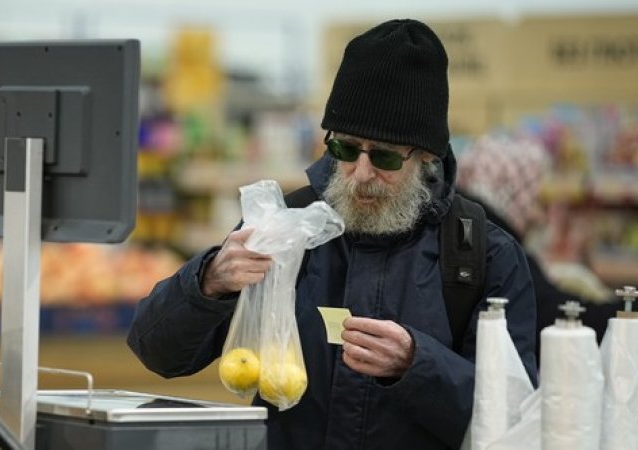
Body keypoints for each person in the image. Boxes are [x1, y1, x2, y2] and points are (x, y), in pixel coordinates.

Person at [127, 19, 538, 450]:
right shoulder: (284, 227)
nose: (361, 174)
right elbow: (156, 352)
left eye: (384, 156)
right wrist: (207, 282)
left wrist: (417, 365)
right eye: (345, 149)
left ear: (428, 157)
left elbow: (515, 418)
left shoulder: (482, 255)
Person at [455, 133, 620, 362]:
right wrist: (623, 316)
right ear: (507, 188)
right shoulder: (493, 244)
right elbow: (549, 315)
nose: (538, 216)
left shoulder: (468, 229)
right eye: (533, 198)